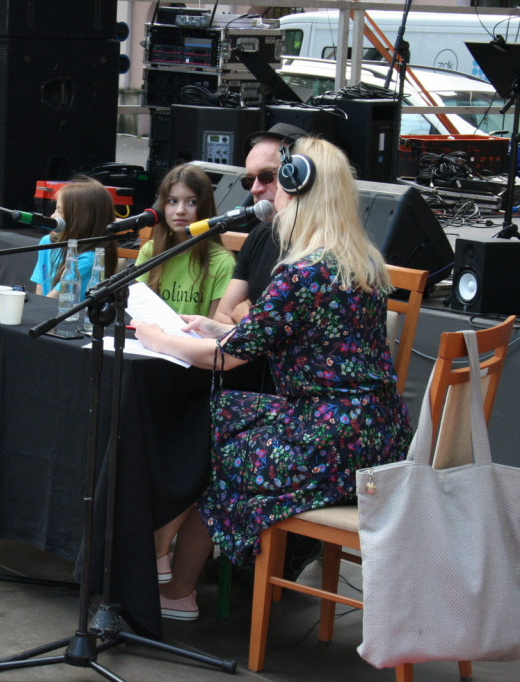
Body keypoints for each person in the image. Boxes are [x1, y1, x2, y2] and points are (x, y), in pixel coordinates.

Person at [134, 137, 412, 621]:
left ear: (296, 188)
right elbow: (282, 334)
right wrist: (218, 326)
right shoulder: (361, 261)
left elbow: (224, 361)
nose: (267, 193)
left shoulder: (302, 272)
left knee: (209, 434)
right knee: (219, 419)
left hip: (332, 441)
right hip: (378, 437)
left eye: (278, 181)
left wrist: (158, 337)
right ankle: (173, 577)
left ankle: (166, 565)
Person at [214, 122, 307, 325]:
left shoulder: (323, 254)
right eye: (248, 180)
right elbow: (222, 317)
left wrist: (248, 320)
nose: (254, 189)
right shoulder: (260, 235)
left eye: (266, 176)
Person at [135, 164, 234, 318]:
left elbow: (215, 327)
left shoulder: (222, 262)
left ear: (204, 207)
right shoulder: (150, 250)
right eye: (172, 201)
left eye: (192, 202)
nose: (180, 210)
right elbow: (139, 312)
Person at [30, 177, 118, 298]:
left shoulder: (88, 260)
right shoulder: (47, 242)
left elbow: (53, 298)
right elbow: (40, 286)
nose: (52, 216)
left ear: (81, 220)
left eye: (59, 211)